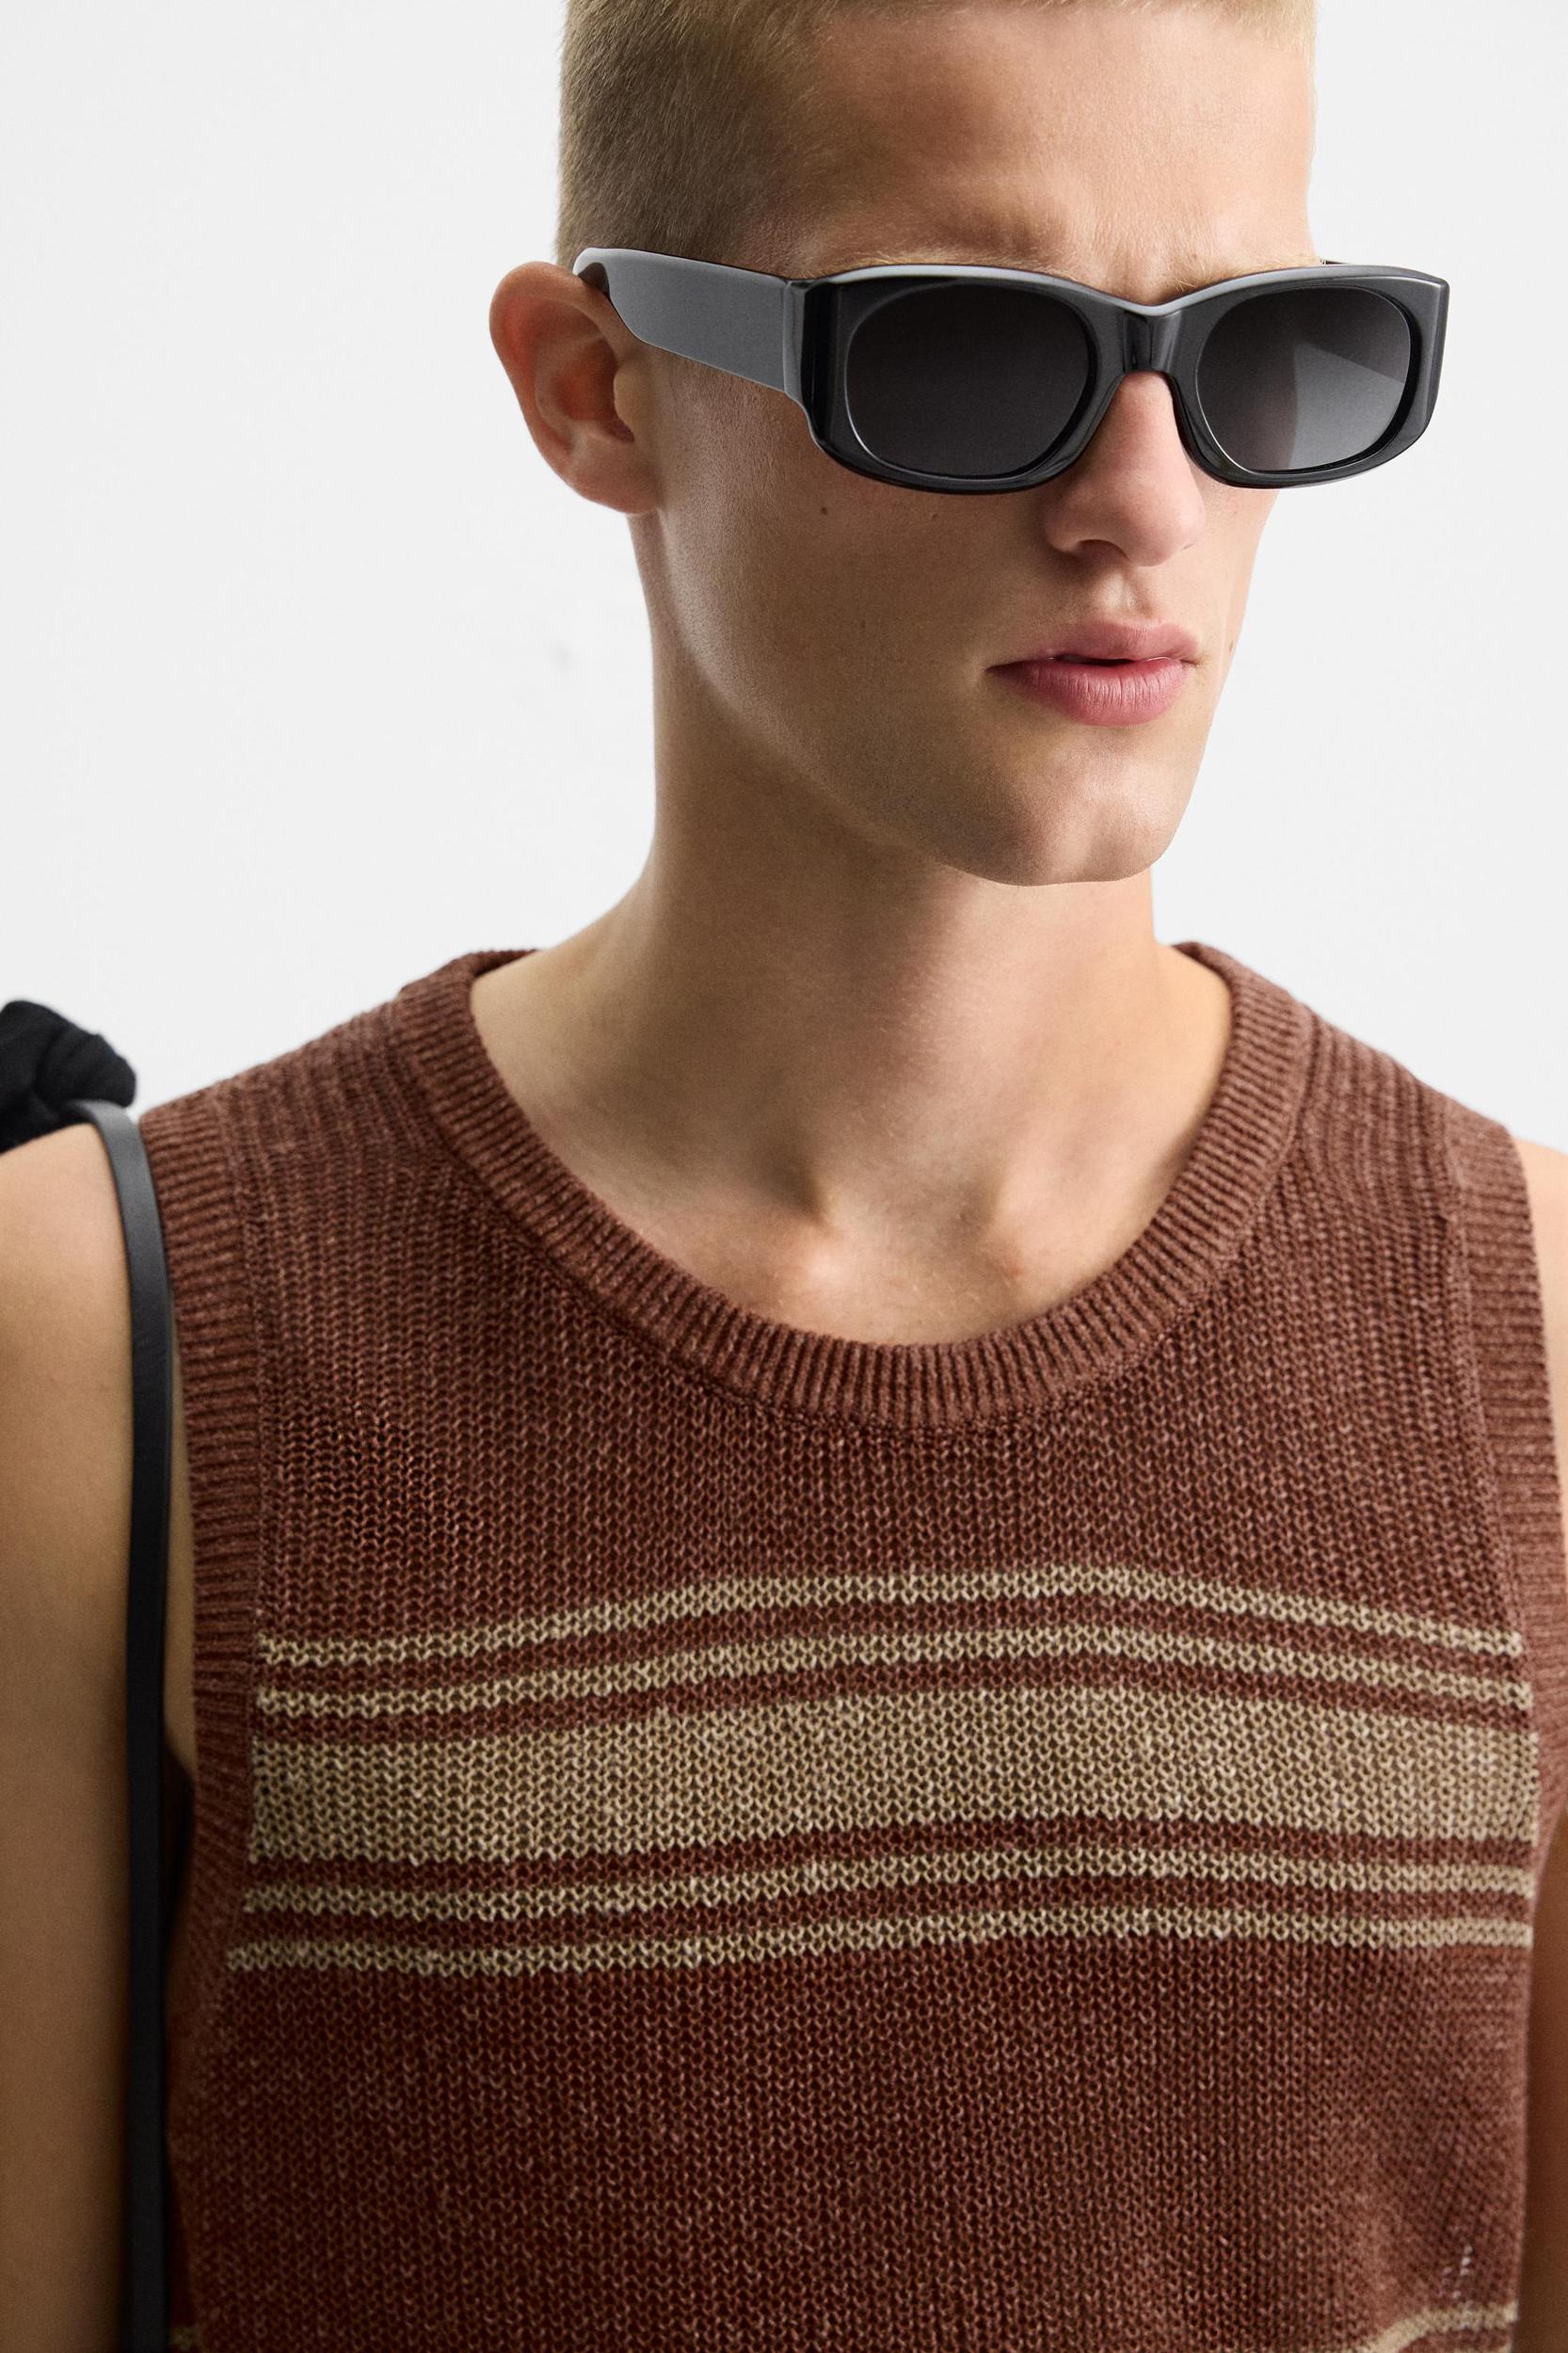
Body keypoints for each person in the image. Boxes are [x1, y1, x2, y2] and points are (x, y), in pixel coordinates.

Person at [3, 2, 1565, 2346]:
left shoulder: (1534, 1343)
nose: (1143, 502)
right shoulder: (94, 1348)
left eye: (1263, 351)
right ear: (595, 388)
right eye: (966, 350)